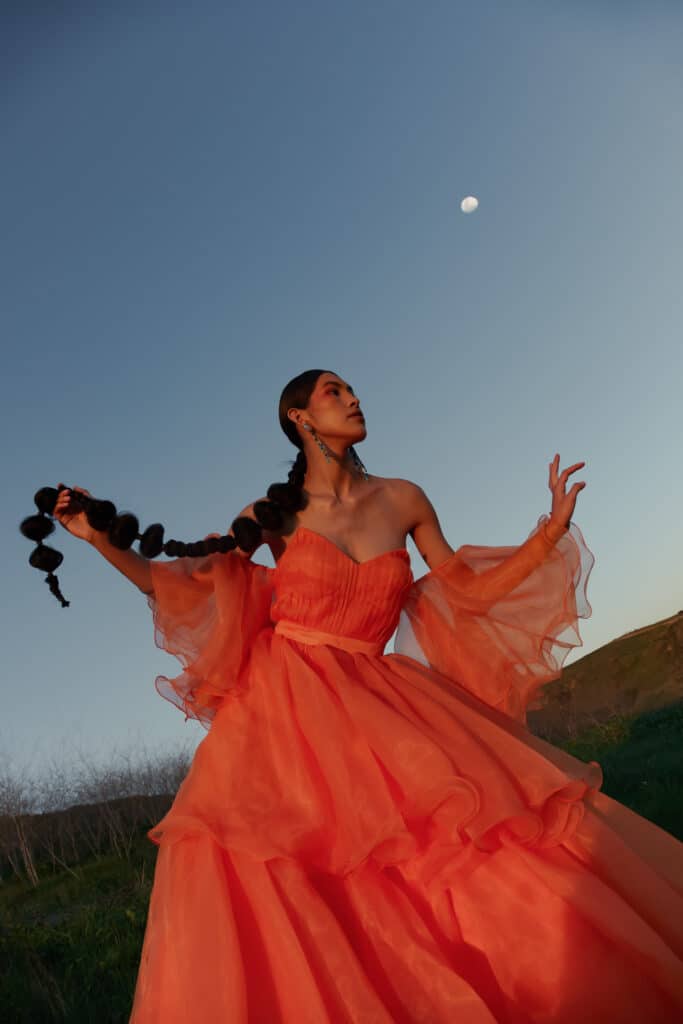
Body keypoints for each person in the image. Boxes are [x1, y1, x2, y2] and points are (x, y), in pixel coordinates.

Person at [53, 369, 683, 1023]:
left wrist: (548, 532)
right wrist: (99, 538)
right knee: (306, 876)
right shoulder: (269, 517)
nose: (353, 398)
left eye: (351, 390)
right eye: (334, 391)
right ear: (299, 418)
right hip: (285, 713)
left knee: (468, 853)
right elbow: (175, 584)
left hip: (386, 702)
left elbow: (465, 592)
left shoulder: (403, 498)